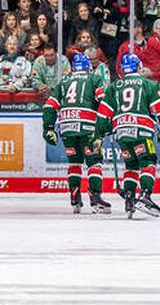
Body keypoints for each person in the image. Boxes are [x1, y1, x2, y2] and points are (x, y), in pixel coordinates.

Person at [96, 52, 160, 218]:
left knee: (131, 165)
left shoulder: (114, 86)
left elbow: (103, 115)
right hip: (142, 130)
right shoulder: (149, 85)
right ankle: (145, 196)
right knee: (148, 160)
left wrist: (102, 132)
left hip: (121, 131)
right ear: (139, 66)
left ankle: (129, 199)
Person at [42, 53, 110, 214]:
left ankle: (75, 199)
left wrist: (49, 128)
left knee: (74, 162)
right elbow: (104, 100)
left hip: (67, 127)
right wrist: (107, 122)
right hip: (88, 126)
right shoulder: (94, 78)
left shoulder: (64, 81)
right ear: (87, 66)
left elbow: (49, 106)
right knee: (94, 162)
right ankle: (95, 198)